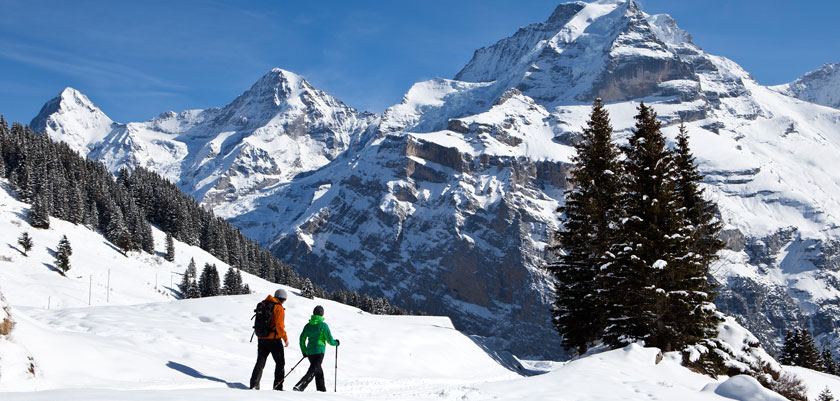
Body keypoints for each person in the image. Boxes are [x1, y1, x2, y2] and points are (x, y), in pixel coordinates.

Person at [249, 289, 289, 390]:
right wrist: (285, 339)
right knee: (280, 363)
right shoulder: (278, 308)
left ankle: (254, 384)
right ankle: (278, 387)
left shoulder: (263, 303)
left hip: (261, 337)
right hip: (274, 339)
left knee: (260, 361)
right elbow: (279, 326)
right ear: (283, 299)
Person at [293, 305, 339, 392]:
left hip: (310, 352)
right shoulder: (323, 325)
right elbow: (329, 340)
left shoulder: (308, 326)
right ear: (322, 314)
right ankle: (299, 386)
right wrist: (336, 343)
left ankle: (321, 391)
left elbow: (302, 339)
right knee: (313, 370)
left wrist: (304, 351)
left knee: (319, 371)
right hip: (319, 351)